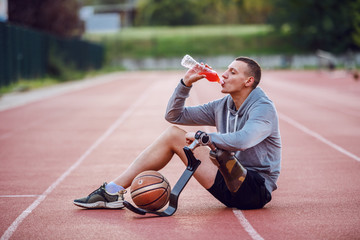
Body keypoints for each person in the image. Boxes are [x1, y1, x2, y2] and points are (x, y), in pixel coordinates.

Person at [73, 57, 281, 210]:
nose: (224, 74)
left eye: (233, 72)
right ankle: (111, 191)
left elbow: (243, 140)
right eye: (227, 69)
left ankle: (111, 192)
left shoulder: (263, 108)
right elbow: (174, 116)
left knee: (220, 153)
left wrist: (204, 137)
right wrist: (185, 84)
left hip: (254, 189)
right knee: (174, 134)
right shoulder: (223, 105)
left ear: (248, 81)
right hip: (227, 182)